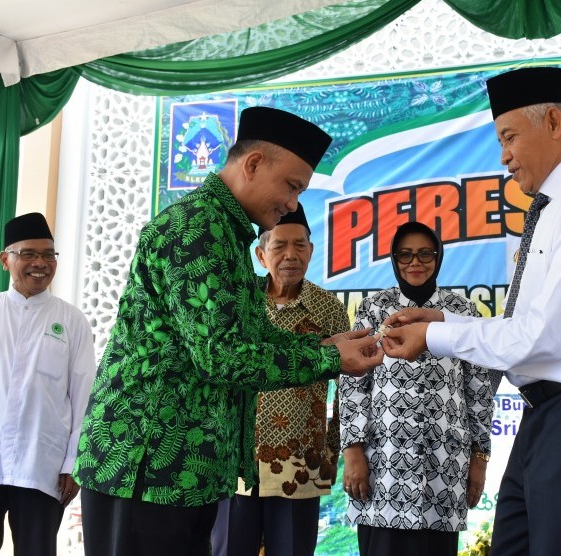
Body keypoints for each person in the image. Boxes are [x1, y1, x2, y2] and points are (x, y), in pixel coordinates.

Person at [73, 107, 383, 556]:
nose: (293, 204)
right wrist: (330, 359)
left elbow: (253, 337)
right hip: (147, 466)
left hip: (187, 470)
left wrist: (326, 344)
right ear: (253, 164)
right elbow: (223, 355)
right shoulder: (195, 227)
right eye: (292, 186)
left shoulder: (228, 235)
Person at [380, 67, 561, 556]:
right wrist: (442, 321)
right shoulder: (556, 205)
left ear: (553, 121)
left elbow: (546, 335)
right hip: (551, 416)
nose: (504, 156)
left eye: (509, 137)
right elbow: (524, 327)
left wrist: (434, 338)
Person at [340, 221, 493, 556]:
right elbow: (353, 384)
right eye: (405, 254)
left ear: (437, 257)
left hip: (445, 464)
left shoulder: (461, 312)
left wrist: (479, 459)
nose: (415, 262)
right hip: (385, 465)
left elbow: (479, 391)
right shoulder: (373, 309)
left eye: (425, 253)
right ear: (394, 259)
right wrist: (352, 451)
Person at [210, 204, 349, 556]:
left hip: (300, 466)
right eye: (280, 246)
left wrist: (332, 449)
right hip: (237, 464)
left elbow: (348, 387)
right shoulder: (241, 302)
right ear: (260, 254)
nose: (291, 255)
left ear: (311, 250)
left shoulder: (329, 307)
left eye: (300, 245)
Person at [0, 212, 96, 556]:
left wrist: (74, 463)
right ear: (5, 259)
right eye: (28, 254)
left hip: (41, 465)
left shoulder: (71, 321)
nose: (39, 263)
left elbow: (84, 397)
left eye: (47, 255)